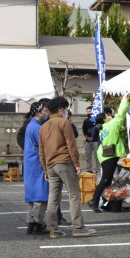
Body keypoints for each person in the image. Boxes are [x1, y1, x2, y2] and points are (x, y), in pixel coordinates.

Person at [40, 97, 95, 238]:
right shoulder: (64, 123)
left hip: (50, 165)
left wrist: (45, 169)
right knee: (74, 195)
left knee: (53, 197)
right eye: (65, 108)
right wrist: (77, 164)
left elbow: (41, 150)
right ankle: (78, 227)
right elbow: (71, 145)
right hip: (65, 162)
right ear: (60, 108)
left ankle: (53, 229)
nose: (66, 111)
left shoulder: (43, 127)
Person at [23, 100, 51, 235]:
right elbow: (44, 147)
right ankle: (37, 223)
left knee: (32, 196)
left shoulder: (31, 125)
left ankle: (31, 223)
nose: (47, 113)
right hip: (38, 164)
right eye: (46, 111)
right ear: (38, 111)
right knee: (41, 195)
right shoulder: (37, 128)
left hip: (30, 164)